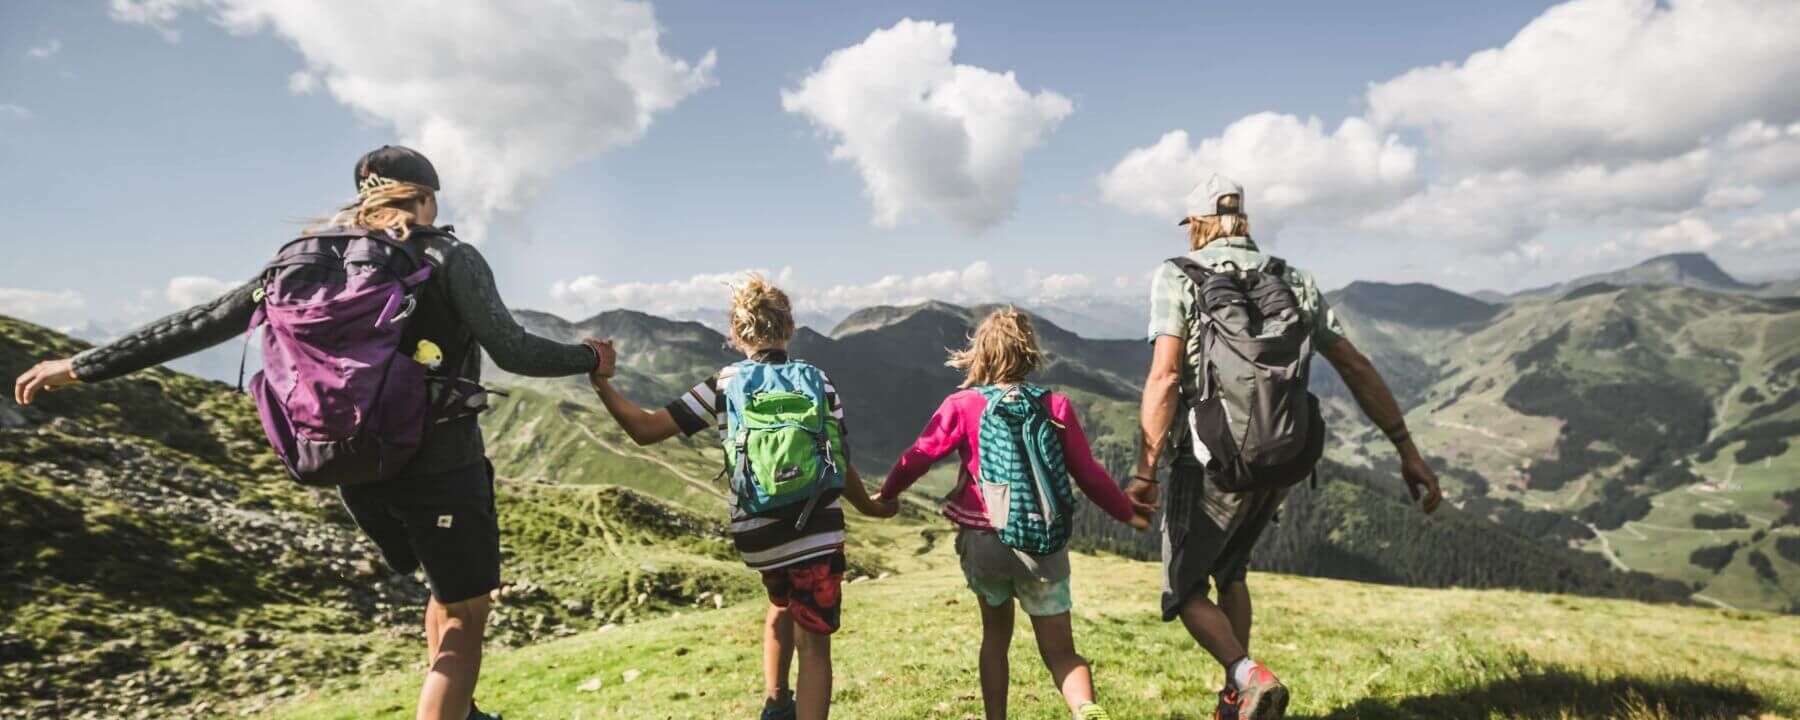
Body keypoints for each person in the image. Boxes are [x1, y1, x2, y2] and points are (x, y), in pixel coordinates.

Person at [11, 145, 608, 720]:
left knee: (441, 591)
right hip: (439, 465)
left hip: (351, 462)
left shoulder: (302, 261)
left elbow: (199, 323)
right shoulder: (445, 256)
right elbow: (516, 351)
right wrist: (589, 358)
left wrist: (81, 365)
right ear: (425, 198)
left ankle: (462, 711)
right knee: (465, 617)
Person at [1124, 175, 1443, 720]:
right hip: (1282, 458)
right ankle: (1237, 702)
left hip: (1209, 463)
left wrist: (1145, 470)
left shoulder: (1177, 276)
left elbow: (1164, 375)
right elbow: (1354, 364)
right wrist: (1406, 448)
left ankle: (1248, 677)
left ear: (1197, 224)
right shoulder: (1291, 277)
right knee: (1232, 574)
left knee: (1183, 588)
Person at [584, 274, 888, 720]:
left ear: (735, 332)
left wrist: (601, 383)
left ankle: (775, 701)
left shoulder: (724, 384)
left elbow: (645, 430)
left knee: (781, 601)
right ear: (790, 328)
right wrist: (873, 506)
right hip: (817, 530)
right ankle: (789, 705)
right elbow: (839, 460)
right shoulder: (818, 381)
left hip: (759, 535)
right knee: (815, 647)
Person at [873, 308, 1150, 720]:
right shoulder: (1055, 405)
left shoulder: (962, 405)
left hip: (986, 543)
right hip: (1041, 543)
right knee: (1061, 652)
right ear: (1030, 353)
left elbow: (919, 456)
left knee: (995, 637)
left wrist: (887, 495)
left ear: (980, 354)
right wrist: (1126, 512)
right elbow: (1089, 473)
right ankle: (1086, 709)